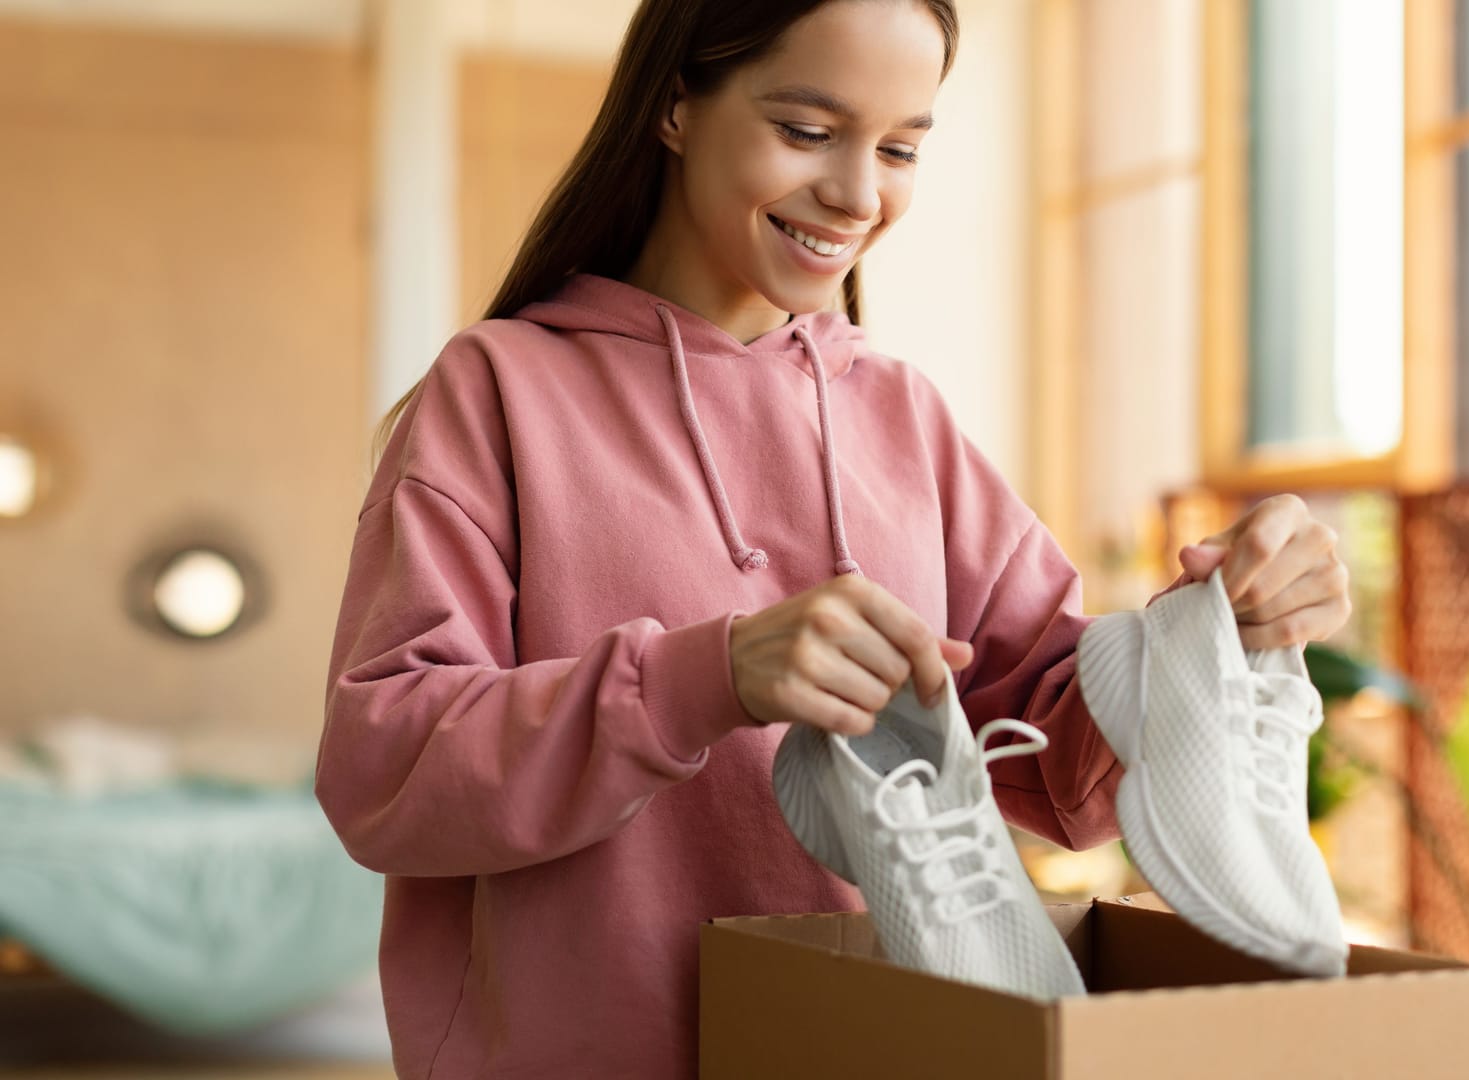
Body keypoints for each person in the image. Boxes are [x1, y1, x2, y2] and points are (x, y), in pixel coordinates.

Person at [317, 0, 1353, 1075]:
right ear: (675, 105)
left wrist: (1215, 632)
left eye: (900, 147)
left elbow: (1061, 774)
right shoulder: (494, 393)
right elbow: (384, 772)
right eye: (808, 131)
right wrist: (700, 678)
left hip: (875, 1049)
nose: (860, 194)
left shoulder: (904, 416)